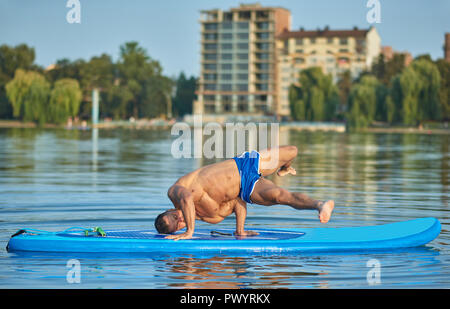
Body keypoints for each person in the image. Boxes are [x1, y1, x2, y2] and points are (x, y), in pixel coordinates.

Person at [154, 145, 334, 240]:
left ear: (169, 210)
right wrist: (240, 230)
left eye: (174, 217)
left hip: (245, 164)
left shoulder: (175, 192)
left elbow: (186, 198)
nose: (180, 220)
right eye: (179, 226)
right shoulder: (211, 217)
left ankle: (285, 168)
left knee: (292, 150)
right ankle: (320, 205)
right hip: (247, 187)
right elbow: (236, 202)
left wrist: (190, 232)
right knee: (281, 197)